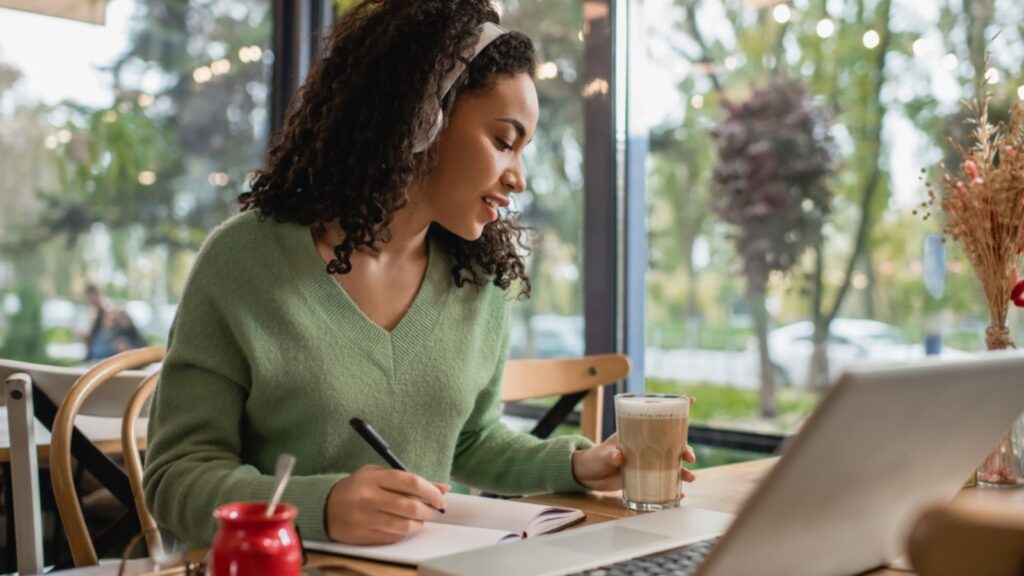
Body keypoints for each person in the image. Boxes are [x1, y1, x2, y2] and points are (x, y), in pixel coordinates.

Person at [143, 0, 696, 548]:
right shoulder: (244, 260)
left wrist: (579, 465)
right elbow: (175, 477)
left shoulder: (481, 280)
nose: (517, 179)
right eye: (504, 142)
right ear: (421, 115)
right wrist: (320, 508)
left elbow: (471, 441)